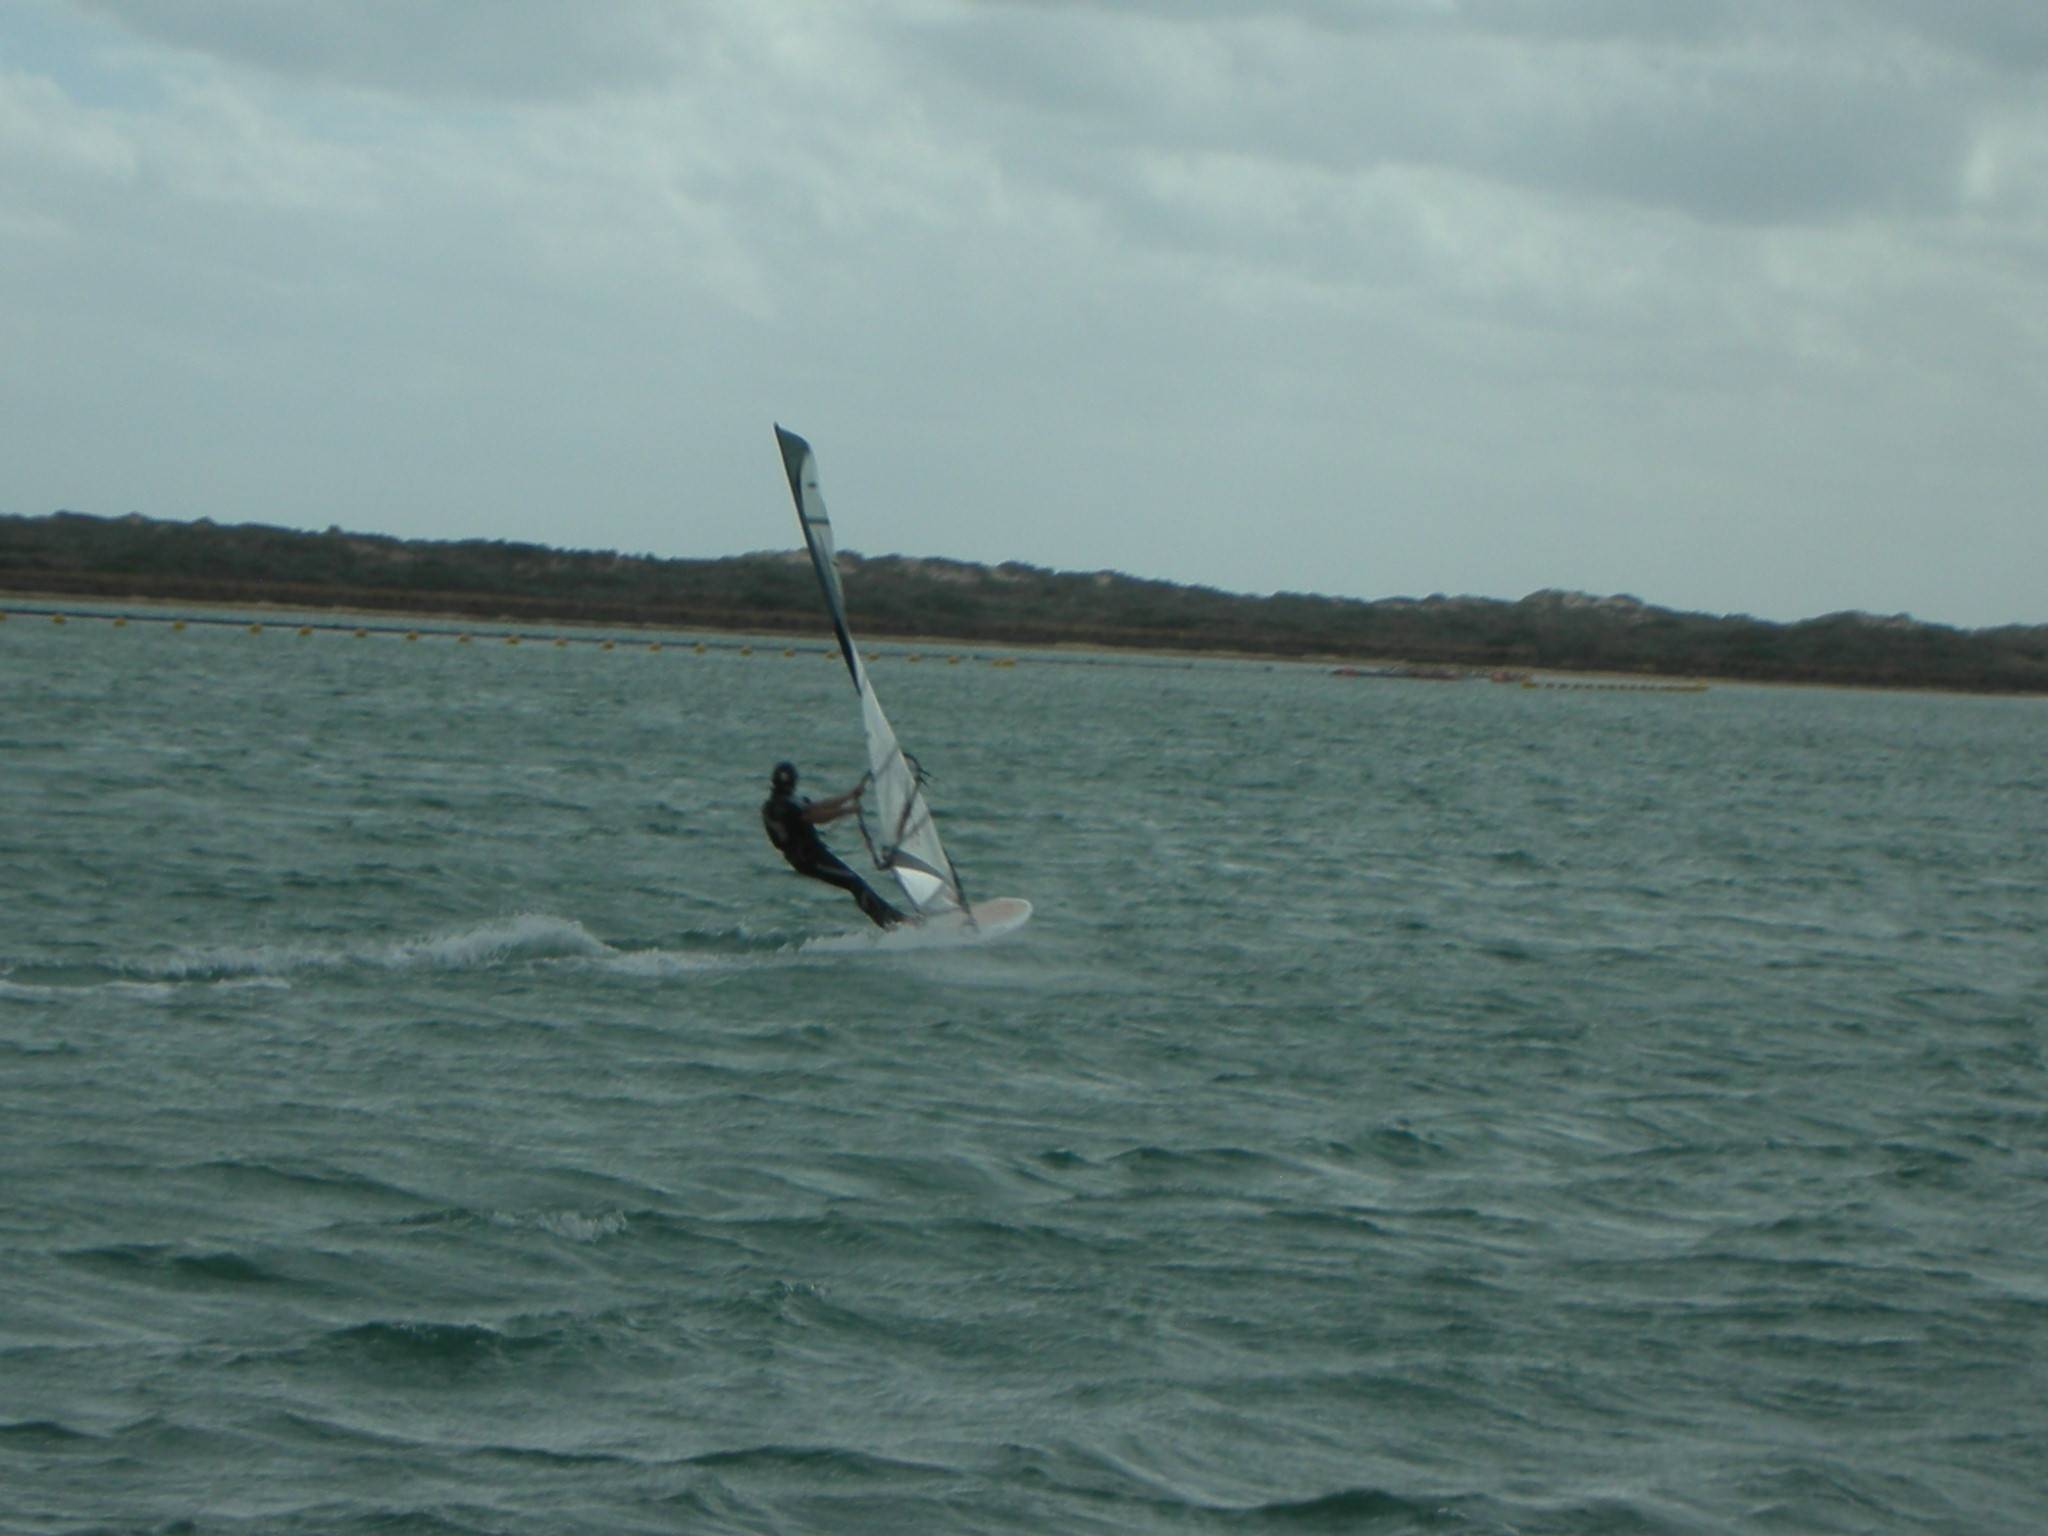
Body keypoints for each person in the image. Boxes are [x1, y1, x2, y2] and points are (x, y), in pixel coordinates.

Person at [760, 761, 905, 928]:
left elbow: (818, 806)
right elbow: (814, 816)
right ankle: (889, 924)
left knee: (855, 881)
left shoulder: (784, 802)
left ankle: (895, 917)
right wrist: (847, 810)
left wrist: (849, 796)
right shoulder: (780, 807)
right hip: (808, 859)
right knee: (853, 882)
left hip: (814, 854)